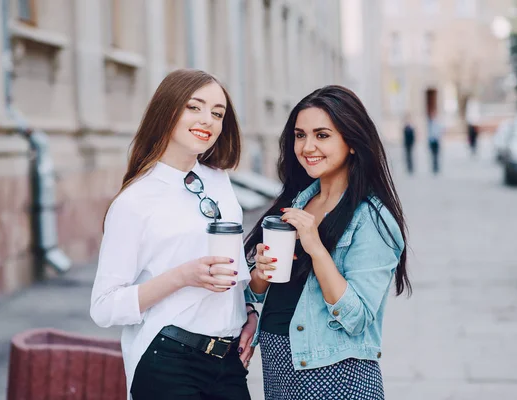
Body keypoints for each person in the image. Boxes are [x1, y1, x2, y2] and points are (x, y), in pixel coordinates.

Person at [90, 69, 258, 400]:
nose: (207, 120)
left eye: (217, 113)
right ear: (168, 111)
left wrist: (249, 312)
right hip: (168, 358)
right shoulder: (136, 200)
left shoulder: (219, 182)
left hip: (227, 362)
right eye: (194, 107)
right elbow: (104, 306)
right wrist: (183, 276)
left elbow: (231, 269)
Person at [243, 86, 411, 400]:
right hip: (280, 368)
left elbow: (357, 317)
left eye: (322, 135)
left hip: (336, 377)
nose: (307, 147)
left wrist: (316, 247)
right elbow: (263, 292)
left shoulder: (371, 219)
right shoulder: (296, 204)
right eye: (300, 135)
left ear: (351, 142)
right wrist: (260, 274)